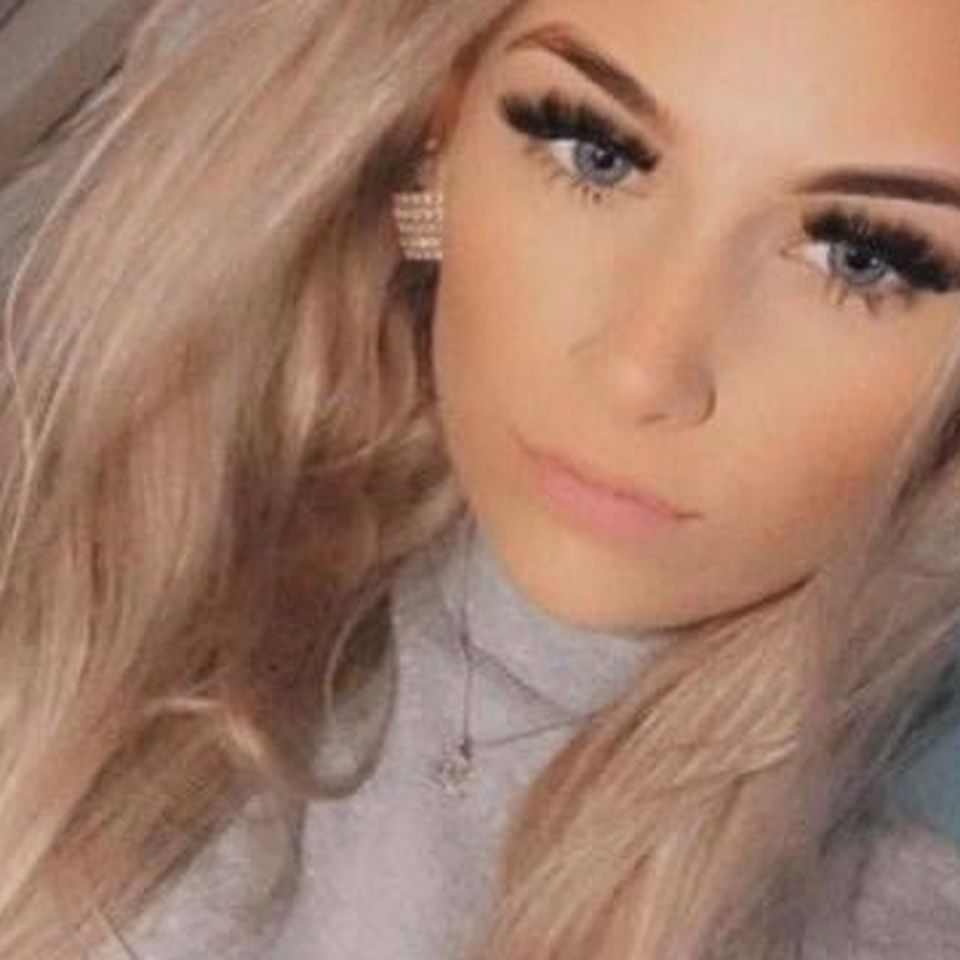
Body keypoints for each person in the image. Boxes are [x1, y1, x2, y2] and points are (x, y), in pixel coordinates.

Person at [4, 0, 960, 956]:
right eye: (596, 152)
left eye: (862, 258)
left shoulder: (884, 903)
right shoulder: (111, 532)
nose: (641, 371)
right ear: (444, 135)